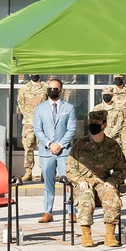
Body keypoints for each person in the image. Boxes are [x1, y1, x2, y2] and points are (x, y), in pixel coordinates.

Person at [66, 109, 126, 247]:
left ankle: (110, 234)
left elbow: (121, 168)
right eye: (91, 122)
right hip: (83, 183)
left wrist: (112, 181)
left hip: (103, 182)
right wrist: (80, 180)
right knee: (86, 197)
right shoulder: (80, 145)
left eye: (96, 122)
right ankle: (86, 235)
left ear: (104, 124)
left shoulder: (113, 146)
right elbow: (70, 168)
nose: (93, 125)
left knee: (113, 196)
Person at [33, 78, 77, 223]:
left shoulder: (68, 108)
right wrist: (49, 144)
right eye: (50, 88)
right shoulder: (40, 108)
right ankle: (47, 212)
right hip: (47, 151)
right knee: (48, 183)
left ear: (61, 91)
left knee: (68, 183)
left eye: (55, 88)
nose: (52, 91)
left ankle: (71, 212)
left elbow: (71, 129)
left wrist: (60, 145)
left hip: (64, 151)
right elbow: (38, 130)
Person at [16, 74, 47, 182]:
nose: (34, 74)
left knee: (43, 148)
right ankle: (28, 172)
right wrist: (29, 115)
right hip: (29, 124)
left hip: (43, 123)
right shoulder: (24, 89)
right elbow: (21, 103)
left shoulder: (46, 87)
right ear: (29, 74)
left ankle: (44, 172)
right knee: (28, 148)